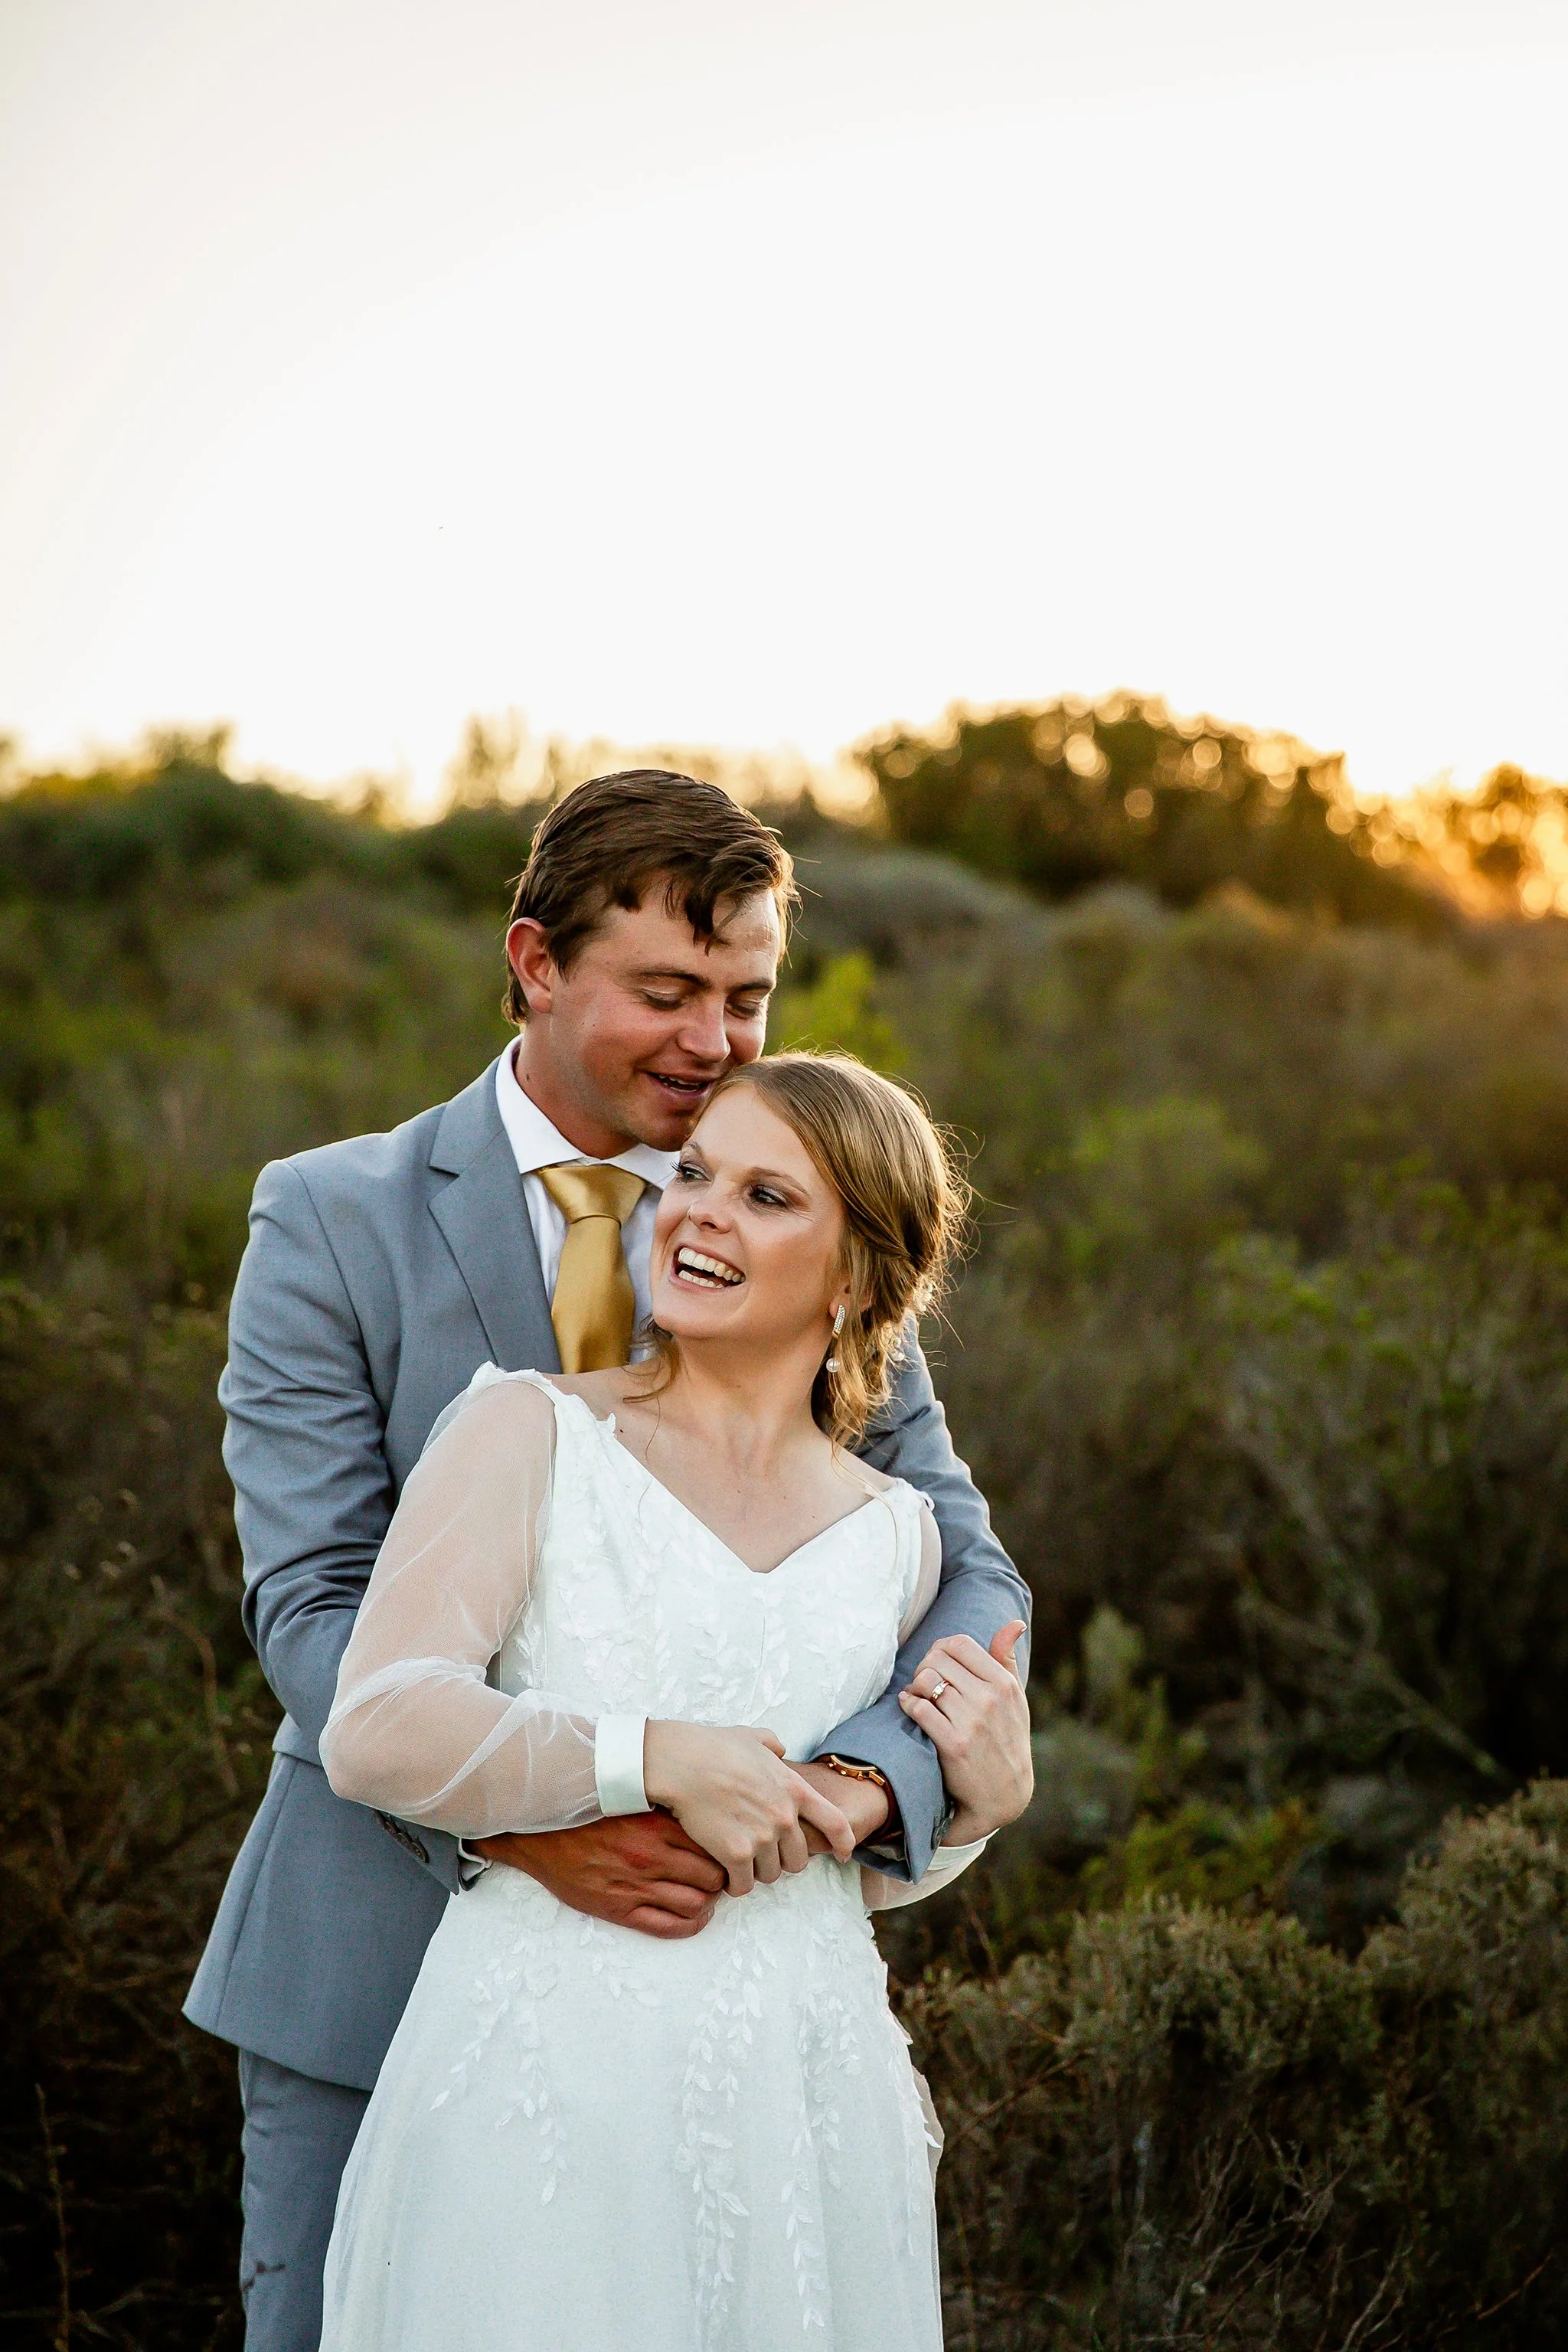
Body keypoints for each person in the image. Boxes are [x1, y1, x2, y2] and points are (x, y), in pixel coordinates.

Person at [184, 769, 1032, 2351]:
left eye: (745, 997)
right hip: (382, 1943)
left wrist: (852, 1791)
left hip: (734, 1997)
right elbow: (311, 1604)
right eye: (666, 992)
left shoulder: (795, 1226)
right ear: (533, 965)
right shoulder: (330, 1219)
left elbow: (967, 1575)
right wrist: (541, 1826)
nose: (713, 1045)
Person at [318, 1052, 1034, 2348]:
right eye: (695, 1173)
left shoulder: (901, 1540)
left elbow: (831, 1869)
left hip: (805, 2096)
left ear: (863, 1277)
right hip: (545, 2086)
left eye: (768, 1197)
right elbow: (374, 1723)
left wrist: (978, 1818)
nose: (697, 1209)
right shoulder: (529, 1433)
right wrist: (650, 1757)